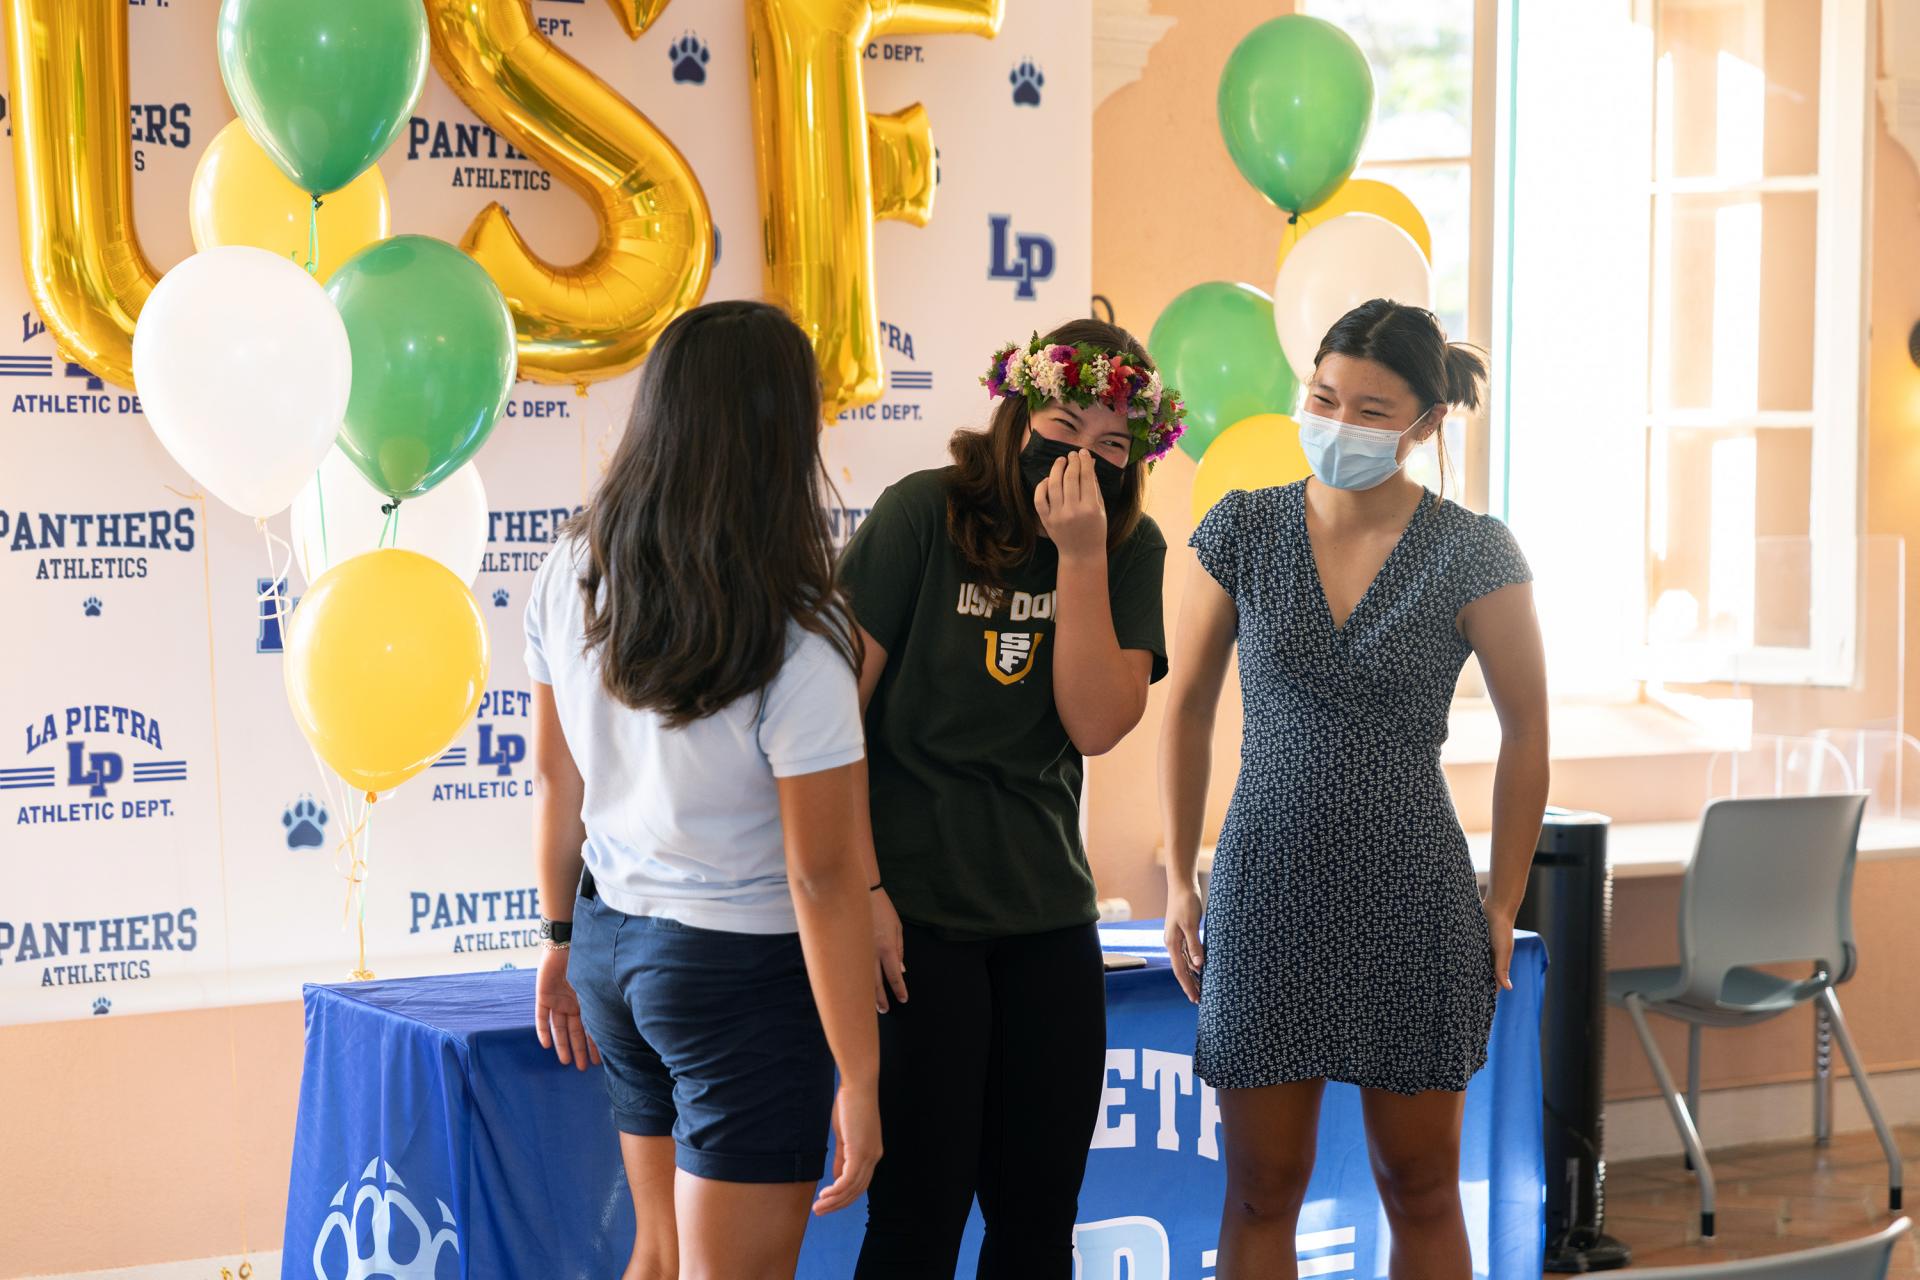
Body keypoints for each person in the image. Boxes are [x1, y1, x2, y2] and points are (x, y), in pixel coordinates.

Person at [1158, 298, 1550, 1280]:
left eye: (1371, 409)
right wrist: (1177, 877)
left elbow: (1530, 726)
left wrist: (1502, 899)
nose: (1338, 421)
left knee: (1420, 1184)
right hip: (1266, 890)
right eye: (1324, 396)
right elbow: (1189, 707)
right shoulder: (1242, 527)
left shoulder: (1474, 547)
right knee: (1259, 1185)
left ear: (1423, 423)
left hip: (1412, 894)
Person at [525, 300, 880, 1280]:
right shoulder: (798, 630)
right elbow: (821, 875)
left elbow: (556, 777)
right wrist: (861, 1073)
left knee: (659, 1252)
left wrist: (559, 940)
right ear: (783, 433)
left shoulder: (572, 567)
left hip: (611, 945)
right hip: (738, 974)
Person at [842, 320, 1185, 1277]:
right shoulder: (923, 515)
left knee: (1037, 1220)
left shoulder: (1128, 548)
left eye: (1114, 445)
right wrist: (862, 896)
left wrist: (1079, 558)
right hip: (916, 917)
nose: (1084, 458)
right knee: (919, 1211)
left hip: (1045, 917)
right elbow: (830, 727)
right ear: (1017, 414)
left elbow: (1094, 724)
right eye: (1066, 427)